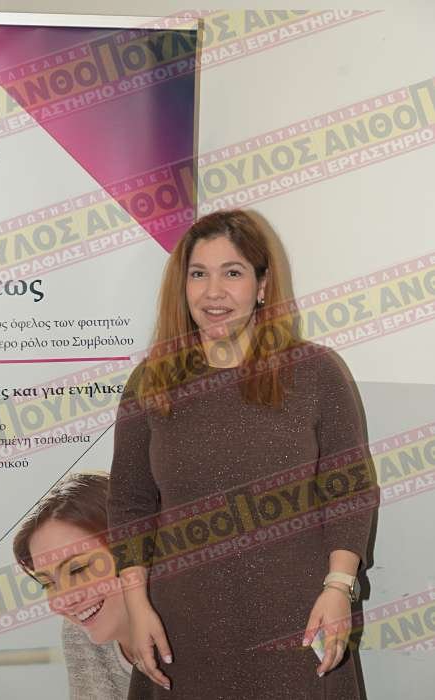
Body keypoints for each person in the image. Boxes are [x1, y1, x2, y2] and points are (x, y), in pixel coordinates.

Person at [107, 209, 380, 699]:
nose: (213, 292)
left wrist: (339, 588)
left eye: (231, 273)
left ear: (262, 285)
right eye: (198, 274)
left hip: (299, 622)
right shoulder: (152, 381)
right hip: (180, 628)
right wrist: (135, 604)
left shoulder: (315, 373)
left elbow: (349, 490)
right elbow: (130, 503)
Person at [13, 472, 133, 700]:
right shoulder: (80, 631)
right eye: (48, 583)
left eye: (78, 569)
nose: (64, 600)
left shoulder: (197, 625)